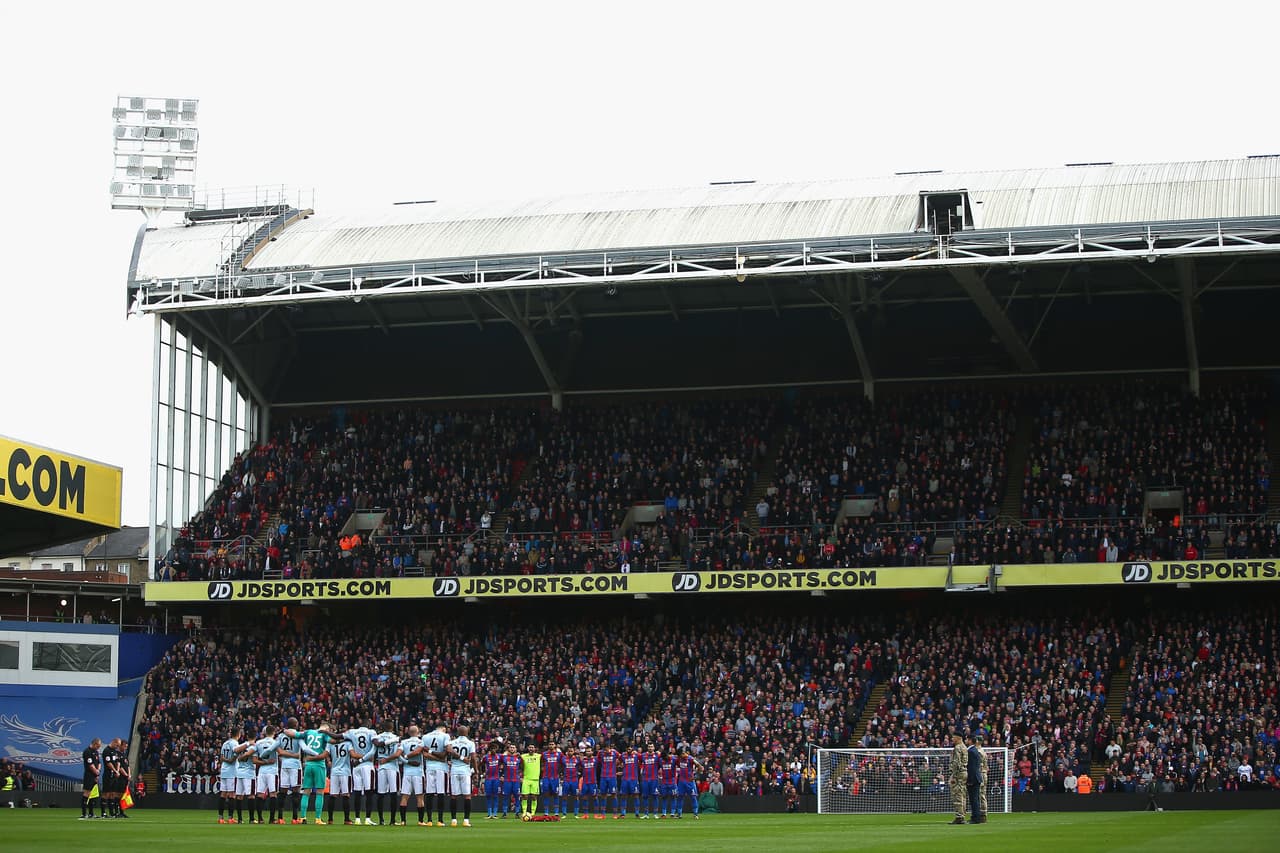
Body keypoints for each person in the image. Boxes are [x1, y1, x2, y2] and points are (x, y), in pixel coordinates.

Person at [344, 718, 379, 825]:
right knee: (369, 793)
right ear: (368, 725)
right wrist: (364, 758)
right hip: (367, 765)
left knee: (357, 792)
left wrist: (326, 732)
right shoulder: (372, 732)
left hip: (356, 766)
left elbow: (338, 736)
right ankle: (368, 818)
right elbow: (375, 745)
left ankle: (357, 818)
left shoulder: (352, 732)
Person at [393, 724, 426, 826]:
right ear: (418, 732)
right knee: (420, 797)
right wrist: (409, 759)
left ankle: (403, 821)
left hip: (407, 773)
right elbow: (418, 752)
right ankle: (420, 821)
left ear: (408, 732)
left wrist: (406, 761)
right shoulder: (421, 742)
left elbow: (397, 755)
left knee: (404, 797)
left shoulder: (403, 742)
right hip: (418, 772)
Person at [447, 724, 477, 827]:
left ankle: (453, 820)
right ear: (467, 732)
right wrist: (476, 771)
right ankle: (466, 820)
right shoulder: (470, 743)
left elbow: (447, 753)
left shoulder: (451, 742)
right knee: (467, 796)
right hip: (465, 771)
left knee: (454, 796)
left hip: (454, 770)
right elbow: (473, 758)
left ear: (458, 732)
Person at [422, 724, 451, 826]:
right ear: (443, 729)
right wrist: (440, 758)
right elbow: (447, 751)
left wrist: (430, 752)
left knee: (429, 794)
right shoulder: (445, 736)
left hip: (429, 767)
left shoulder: (425, 736)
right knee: (440, 793)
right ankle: (440, 820)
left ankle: (429, 820)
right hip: (441, 768)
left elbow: (424, 754)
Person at [276, 719, 304, 824]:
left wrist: (285, 754)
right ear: (296, 725)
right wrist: (294, 755)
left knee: (282, 791)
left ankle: (280, 818)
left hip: (284, 765)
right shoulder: (297, 735)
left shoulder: (281, 736)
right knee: (296, 791)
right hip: (295, 765)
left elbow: (278, 750)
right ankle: (295, 818)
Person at [326, 731, 355, 825]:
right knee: (346, 795)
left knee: (332, 796)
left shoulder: (330, 744)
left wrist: (329, 761)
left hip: (334, 771)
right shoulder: (348, 743)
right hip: (345, 772)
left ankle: (330, 819)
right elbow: (352, 754)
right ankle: (347, 819)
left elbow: (326, 754)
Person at [374, 728, 401, 825]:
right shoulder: (395, 738)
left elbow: (374, 750)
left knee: (380, 794)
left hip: (381, 767)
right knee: (393, 794)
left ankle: (381, 820)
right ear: (391, 727)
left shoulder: (378, 737)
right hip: (393, 767)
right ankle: (392, 820)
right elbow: (396, 754)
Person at [966, 733, 987, 824]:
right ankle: (979, 816)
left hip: (976, 775)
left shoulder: (973, 751)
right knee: (978, 797)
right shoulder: (978, 751)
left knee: (976, 798)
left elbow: (972, 767)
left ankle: (978, 816)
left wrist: (970, 779)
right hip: (980, 774)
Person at [948, 730, 967, 825]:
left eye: (953, 737)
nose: (952, 739)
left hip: (959, 773)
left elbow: (957, 762)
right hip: (964, 772)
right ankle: (962, 814)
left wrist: (954, 775)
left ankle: (959, 816)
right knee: (962, 794)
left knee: (957, 794)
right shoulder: (964, 747)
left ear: (958, 738)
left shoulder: (958, 748)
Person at [80, 737, 101, 820]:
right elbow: (90, 764)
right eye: (98, 746)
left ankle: (91, 813)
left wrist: (98, 771)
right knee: (87, 793)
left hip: (95, 775)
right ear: (94, 744)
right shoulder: (87, 752)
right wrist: (96, 772)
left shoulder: (96, 752)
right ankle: (84, 813)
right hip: (89, 775)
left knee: (93, 795)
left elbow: (99, 763)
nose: (98, 748)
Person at [520, 743, 542, 818]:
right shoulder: (523, 756)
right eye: (530, 747)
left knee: (534, 797)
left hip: (535, 779)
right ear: (528, 748)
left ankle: (532, 813)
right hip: (526, 779)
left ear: (535, 749)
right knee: (524, 796)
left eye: (532, 747)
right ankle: (524, 812)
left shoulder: (539, 756)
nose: (531, 749)